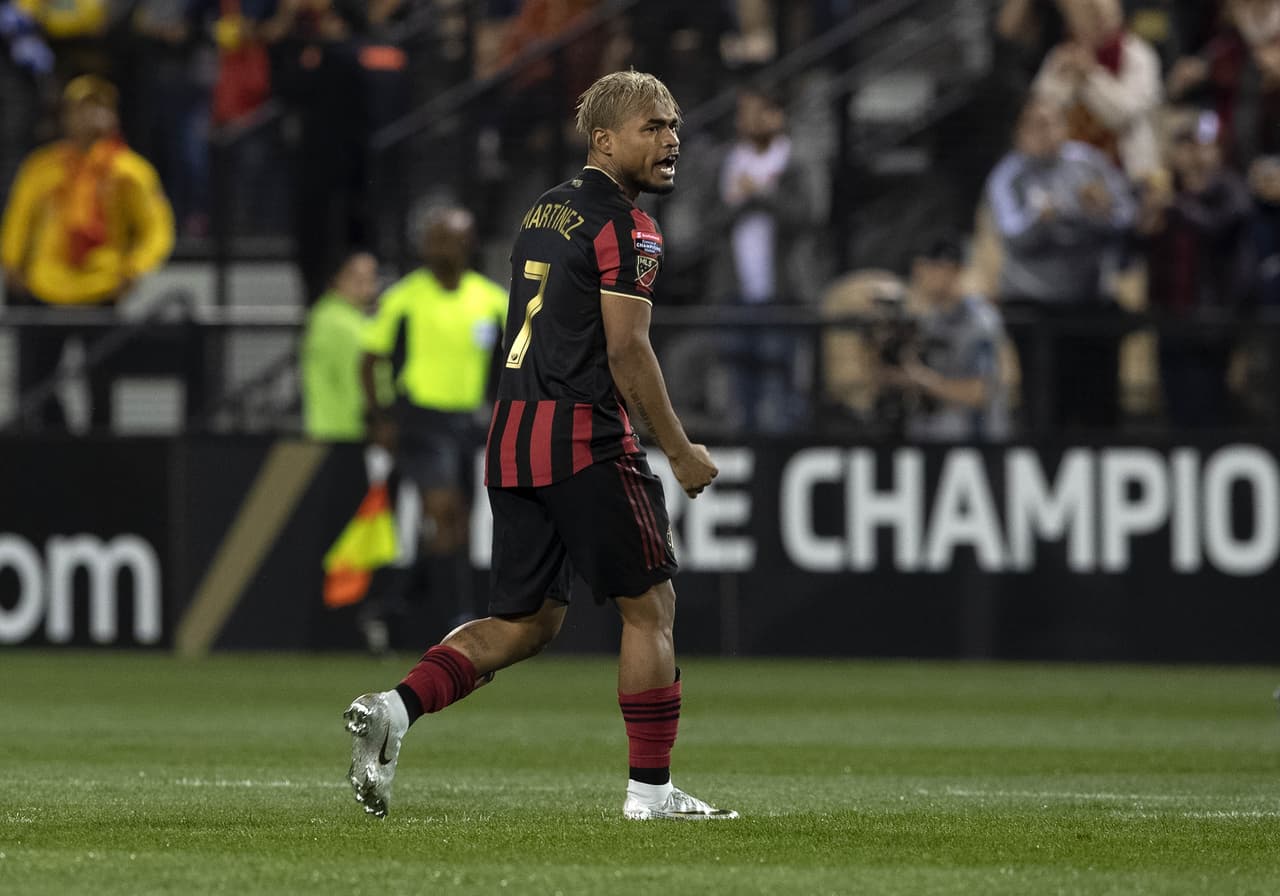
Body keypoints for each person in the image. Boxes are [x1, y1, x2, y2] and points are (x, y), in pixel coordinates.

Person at [343, 70, 737, 822]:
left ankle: (393, 711)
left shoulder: (545, 209)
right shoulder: (631, 228)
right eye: (653, 126)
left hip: (515, 438)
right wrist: (680, 450)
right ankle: (651, 795)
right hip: (585, 437)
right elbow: (627, 353)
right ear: (604, 139)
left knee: (526, 623)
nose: (671, 139)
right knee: (649, 608)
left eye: (674, 124)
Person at [356, 206, 506, 642]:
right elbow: (370, 359)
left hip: (468, 422)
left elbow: (517, 357)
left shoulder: (490, 299)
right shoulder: (405, 297)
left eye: (453, 238)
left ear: (469, 244)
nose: (444, 247)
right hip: (420, 418)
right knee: (444, 513)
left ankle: (393, 603)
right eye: (437, 238)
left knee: (459, 521)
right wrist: (381, 416)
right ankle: (457, 617)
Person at [0, 75, 174, 431]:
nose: (90, 116)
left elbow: (158, 228)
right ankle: (54, 446)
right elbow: (18, 217)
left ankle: (98, 460)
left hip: (100, 287)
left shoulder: (129, 170)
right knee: (36, 384)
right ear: (65, 117)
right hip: (46, 287)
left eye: (99, 107)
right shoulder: (42, 166)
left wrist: (134, 268)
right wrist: (11, 262)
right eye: (81, 108)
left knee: (101, 384)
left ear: (113, 116)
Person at [986, 96, 1135, 433]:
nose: (1047, 133)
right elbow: (1014, 236)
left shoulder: (1088, 163)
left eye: (1053, 123)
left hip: (1088, 303)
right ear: (1019, 133)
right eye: (1037, 125)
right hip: (1036, 309)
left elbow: (1127, 217)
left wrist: (1104, 212)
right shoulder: (1009, 175)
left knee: (1099, 412)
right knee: (1047, 411)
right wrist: (1041, 219)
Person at [1138, 112, 1254, 428]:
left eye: (1204, 146)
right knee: (1175, 405)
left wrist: (1175, 204)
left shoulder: (1229, 188)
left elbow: (1221, 226)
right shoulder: (1165, 189)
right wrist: (1147, 217)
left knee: (1210, 404)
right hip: (1169, 315)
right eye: (1186, 145)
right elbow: (1136, 244)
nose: (1195, 154)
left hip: (1211, 319)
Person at [880, 236, 1010, 442]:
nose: (920, 274)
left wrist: (920, 381)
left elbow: (981, 392)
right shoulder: (928, 319)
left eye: (929, 267)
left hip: (972, 447)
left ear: (951, 270)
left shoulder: (978, 320)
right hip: (931, 442)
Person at [1033, 0, 1163, 179]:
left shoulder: (1139, 55)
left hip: (1128, 173)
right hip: (1069, 174)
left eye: (1104, 11)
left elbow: (1123, 114)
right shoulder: (1061, 56)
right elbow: (1043, 111)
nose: (1098, 18)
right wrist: (1065, 80)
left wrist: (1090, 76)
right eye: (1088, 11)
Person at [299, 250, 380, 440]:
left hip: (331, 431)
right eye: (357, 278)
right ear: (337, 279)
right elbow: (360, 380)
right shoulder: (339, 323)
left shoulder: (327, 314)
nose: (366, 286)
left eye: (371, 277)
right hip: (346, 433)